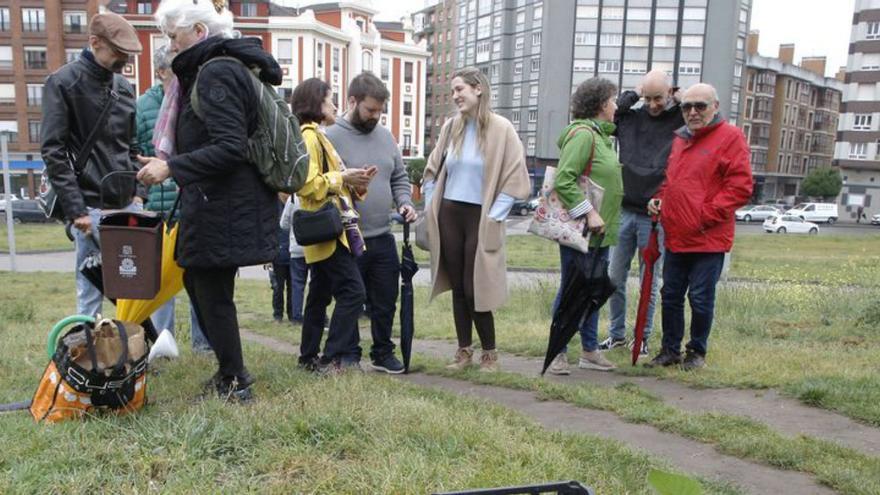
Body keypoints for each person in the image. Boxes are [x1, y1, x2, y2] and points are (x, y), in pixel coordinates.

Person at [137, 0, 282, 401]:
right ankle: (229, 374)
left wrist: (171, 168)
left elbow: (231, 147)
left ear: (199, 33)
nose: (168, 45)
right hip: (218, 200)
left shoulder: (216, 72)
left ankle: (235, 381)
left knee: (210, 288)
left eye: (173, 36)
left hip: (225, 203)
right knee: (198, 280)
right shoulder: (211, 68)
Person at [421, 67, 530, 372]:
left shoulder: (501, 128)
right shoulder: (451, 127)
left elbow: (515, 177)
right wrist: (432, 206)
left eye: (460, 90)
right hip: (450, 214)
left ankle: (490, 353)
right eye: (453, 91)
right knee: (458, 286)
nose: (455, 96)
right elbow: (432, 169)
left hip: (480, 217)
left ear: (478, 89)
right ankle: (463, 351)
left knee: (475, 286)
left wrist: (495, 216)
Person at [41, 12, 147, 318]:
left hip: (127, 203)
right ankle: (91, 350)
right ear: (94, 43)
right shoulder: (63, 83)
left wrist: (139, 193)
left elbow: (133, 145)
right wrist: (76, 210)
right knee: (90, 289)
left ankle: (133, 350)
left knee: (136, 286)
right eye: (117, 52)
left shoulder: (124, 87)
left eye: (127, 54)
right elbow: (54, 151)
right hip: (89, 206)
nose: (123, 59)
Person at [646, 83, 753, 371]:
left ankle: (696, 352)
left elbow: (740, 187)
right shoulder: (681, 139)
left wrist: (703, 215)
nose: (692, 112)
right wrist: (659, 199)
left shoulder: (730, 137)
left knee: (700, 297)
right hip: (677, 234)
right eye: (686, 107)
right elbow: (672, 181)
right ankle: (670, 350)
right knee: (670, 294)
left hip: (708, 237)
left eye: (700, 106)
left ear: (715, 107)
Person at [325, 72, 417, 374]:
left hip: (382, 235)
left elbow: (399, 177)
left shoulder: (387, 136)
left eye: (380, 111)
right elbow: (319, 183)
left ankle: (382, 352)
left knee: (385, 299)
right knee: (351, 298)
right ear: (352, 101)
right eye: (370, 110)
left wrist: (404, 202)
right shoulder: (331, 137)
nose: (376, 116)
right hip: (347, 237)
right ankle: (349, 352)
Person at [291, 77, 374, 374]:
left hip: (327, 229)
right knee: (353, 292)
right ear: (315, 103)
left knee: (319, 296)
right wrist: (343, 178)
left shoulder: (317, 135)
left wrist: (356, 182)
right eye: (329, 99)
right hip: (328, 230)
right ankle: (331, 357)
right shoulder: (310, 136)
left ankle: (309, 356)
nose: (335, 105)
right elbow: (307, 185)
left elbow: (329, 181)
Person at [598, 70, 684, 356]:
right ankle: (617, 336)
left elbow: (698, 116)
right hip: (625, 210)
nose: (652, 104)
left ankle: (642, 337)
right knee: (614, 277)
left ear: (671, 92)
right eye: (647, 98)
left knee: (650, 278)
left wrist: (680, 98)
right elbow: (616, 111)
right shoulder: (631, 118)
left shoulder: (679, 120)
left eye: (658, 97)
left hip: (654, 215)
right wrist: (635, 93)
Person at [545, 77, 624, 375]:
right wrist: (589, 212)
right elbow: (565, 178)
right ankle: (558, 352)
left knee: (592, 291)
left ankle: (589, 351)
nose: (616, 106)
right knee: (572, 291)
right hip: (583, 231)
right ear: (602, 104)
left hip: (600, 234)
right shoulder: (583, 135)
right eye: (613, 101)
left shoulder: (601, 136)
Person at [137, 45, 210, 353]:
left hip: (193, 202)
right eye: (174, 70)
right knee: (160, 281)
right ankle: (160, 343)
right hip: (160, 204)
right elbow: (138, 151)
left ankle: (203, 343)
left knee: (198, 278)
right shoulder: (144, 105)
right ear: (160, 72)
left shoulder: (192, 101)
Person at [279, 194, 308, 324]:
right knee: (318, 283)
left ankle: (296, 316)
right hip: (316, 247)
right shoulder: (317, 194)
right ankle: (320, 314)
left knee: (297, 284)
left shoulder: (293, 199)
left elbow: (283, 224)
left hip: (297, 246)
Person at [271, 195, 293, 323]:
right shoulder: (275, 206)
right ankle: (277, 314)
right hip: (278, 254)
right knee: (278, 287)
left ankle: (292, 314)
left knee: (292, 287)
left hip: (292, 253)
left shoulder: (293, 202)